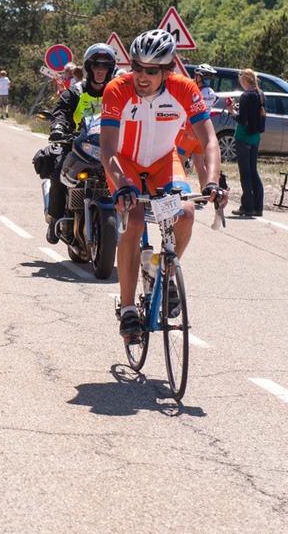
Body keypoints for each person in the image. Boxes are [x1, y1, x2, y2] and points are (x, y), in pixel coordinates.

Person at [100, 29, 226, 341]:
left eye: (152, 71)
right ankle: (128, 309)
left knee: (184, 213)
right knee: (135, 220)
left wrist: (211, 181)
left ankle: (165, 271)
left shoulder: (185, 90)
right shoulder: (117, 89)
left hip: (163, 163)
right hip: (124, 163)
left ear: (168, 70)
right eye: (137, 67)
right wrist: (121, 184)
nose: (142, 76)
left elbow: (209, 140)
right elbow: (107, 148)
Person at [45, 43, 117, 244]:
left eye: (105, 65)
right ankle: (54, 219)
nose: (100, 70)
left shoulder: (117, 92)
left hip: (110, 147)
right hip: (78, 144)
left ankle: (135, 226)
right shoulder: (76, 91)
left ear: (110, 68)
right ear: (89, 67)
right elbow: (61, 111)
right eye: (96, 65)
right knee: (58, 172)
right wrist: (58, 127)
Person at [229, 68, 266, 217]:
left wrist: (232, 111)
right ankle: (258, 207)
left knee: (245, 173)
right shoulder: (261, 94)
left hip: (243, 137)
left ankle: (247, 206)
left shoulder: (246, 96)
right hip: (255, 137)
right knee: (253, 171)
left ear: (244, 80)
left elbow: (242, 120)